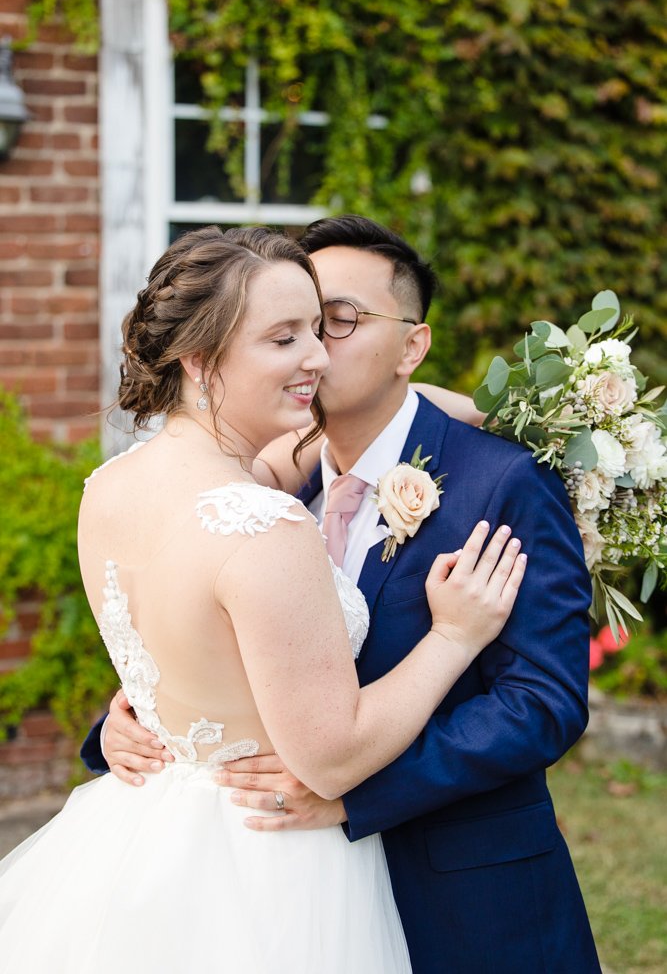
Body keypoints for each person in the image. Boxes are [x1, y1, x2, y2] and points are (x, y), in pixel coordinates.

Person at [0, 225, 527, 973]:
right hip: (271, 862)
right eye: (283, 339)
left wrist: (428, 401)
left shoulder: (111, 485)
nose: (315, 356)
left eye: (319, 329)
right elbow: (333, 757)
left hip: (144, 837)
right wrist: (453, 638)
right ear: (199, 359)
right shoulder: (264, 525)